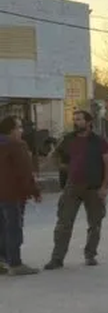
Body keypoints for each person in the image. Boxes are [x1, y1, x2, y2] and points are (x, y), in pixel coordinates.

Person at [45, 110, 108, 269]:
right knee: (63, 223)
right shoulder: (68, 139)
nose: (76, 122)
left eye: (79, 119)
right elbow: (53, 157)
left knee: (95, 224)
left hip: (94, 188)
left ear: (89, 122)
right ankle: (57, 258)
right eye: (74, 120)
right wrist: (63, 167)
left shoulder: (100, 142)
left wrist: (104, 187)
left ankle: (90, 255)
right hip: (72, 187)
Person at [0, 116, 42, 276]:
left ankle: (2, 260)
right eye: (19, 127)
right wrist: (35, 191)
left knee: (2, 228)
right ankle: (15, 264)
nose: (21, 131)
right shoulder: (17, 145)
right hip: (13, 194)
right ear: (11, 130)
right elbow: (25, 172)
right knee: (13, 228)